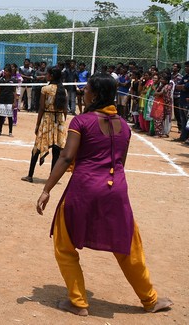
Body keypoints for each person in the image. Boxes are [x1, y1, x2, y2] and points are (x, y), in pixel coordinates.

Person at [36, 73, 172, 316]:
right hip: (116, 190)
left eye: (87, 89)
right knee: (128, 246)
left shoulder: (81, 121)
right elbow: (121, 162)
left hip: (84, 188)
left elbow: (66, 156)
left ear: (96, 94)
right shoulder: (124, 127)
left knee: (64, 243)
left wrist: (46, 189)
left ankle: (78, 302)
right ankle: (150, 300)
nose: (84, 92)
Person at [22, 67, 68, 183]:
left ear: (51, 76)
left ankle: (30, 175)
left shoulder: (45, 89)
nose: (46, 75)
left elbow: (41, 108)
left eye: (47, 74)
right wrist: (62, 123)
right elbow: (65, 110)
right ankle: (52, 177)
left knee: (37, 147)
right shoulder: (63, 90)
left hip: (47, 119)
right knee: (56, 151)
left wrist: (37, 124)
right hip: (59, 120)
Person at [0, 65, 17, 136]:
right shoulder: (1, 79)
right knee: (1, 116)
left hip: (9, 99)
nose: (5, 72)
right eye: (4, 71)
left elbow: (14, 91)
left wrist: (14, 101)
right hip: (1, 99)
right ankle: (0, 131)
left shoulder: (13, 80)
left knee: (10, 116)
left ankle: (10, 132)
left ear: (10, 72)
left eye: (7, 71)